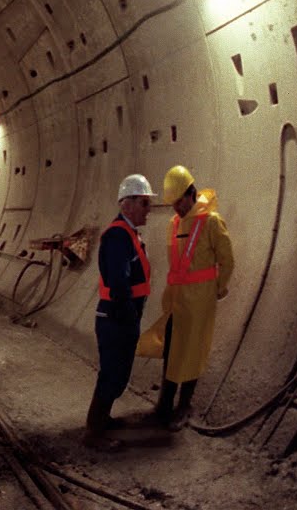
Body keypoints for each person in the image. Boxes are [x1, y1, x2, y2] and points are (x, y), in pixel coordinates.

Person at [137, 165, 235, 430]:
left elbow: (227, 260)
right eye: (172, 204)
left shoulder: (212, 221)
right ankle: (164, 406)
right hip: (177, 301)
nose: (176, 208)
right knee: (172, 352)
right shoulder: (175, 223)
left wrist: (218, 289)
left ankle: (184, 408)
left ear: (191, 193)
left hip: (200, 302)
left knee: (191, 353)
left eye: (179, 202)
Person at [83, 174, 156, 449]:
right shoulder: (117, 236)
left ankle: (102, 420)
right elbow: (119, 282)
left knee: (118, 373)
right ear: (127, 205)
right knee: (112, 373)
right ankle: (94, 433)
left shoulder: (129, 234)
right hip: (116, 317)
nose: (148, 210)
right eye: (144, 203)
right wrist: (129, 318)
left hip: (121, 316)